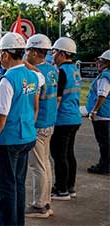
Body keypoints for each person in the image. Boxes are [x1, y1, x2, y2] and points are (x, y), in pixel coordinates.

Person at [0, 32, 40, 226]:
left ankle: (7, 223)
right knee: (18, 183)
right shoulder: (33, 76)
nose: (0, 58)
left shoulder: (7, 80)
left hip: (8, 140)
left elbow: (1, 114)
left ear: (6, 55)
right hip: (26, 137)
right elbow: (35, 104)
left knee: (5, 187)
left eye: (1, 53)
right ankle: (17, 222)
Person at [23, 34, 57, 218]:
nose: (26, 54)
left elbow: (30, 98)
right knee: (45, 163)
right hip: (49, 122)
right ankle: (47, 202)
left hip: (38, 124)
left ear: (35, 52)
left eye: (28, 51)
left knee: (37, 167)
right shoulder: (52, 70)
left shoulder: (36, 75)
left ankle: (39, 205)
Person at [50, 37, 81, 200]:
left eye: (54, 52)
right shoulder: (75, 70)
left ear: (62, 53)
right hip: (74, 118)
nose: (52, 55)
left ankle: (61, 189)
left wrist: (50, 116)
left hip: (63, 119)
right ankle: (70, 186)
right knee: (69, 153)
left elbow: (58, 98)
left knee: (59, 155)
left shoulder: (61, 71)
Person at [85, 49, 110, 175]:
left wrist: (94, 111)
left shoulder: (105, 77)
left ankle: (104, 166)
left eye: (101, 61)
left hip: (102, 114)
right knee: (106, 141)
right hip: (107, 113)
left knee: (104, 142)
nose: (98, 63)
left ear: (106, 63)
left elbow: (102, 95)